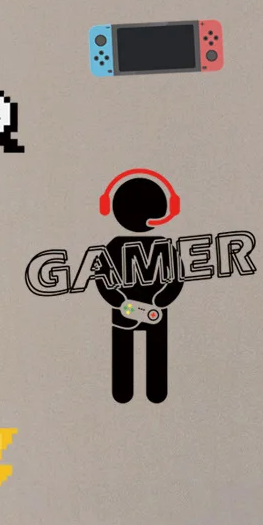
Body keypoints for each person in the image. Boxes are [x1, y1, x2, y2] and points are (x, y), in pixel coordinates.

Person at [94, 172, 184, 404]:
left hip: (146, 310)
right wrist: (121, 302)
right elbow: (102, 278)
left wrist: (157, 301)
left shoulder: (161, 246)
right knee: (125, 352)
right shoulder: (117, 247)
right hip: (131, 310)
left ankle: (151, 392)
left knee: (154, 352)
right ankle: (129, 392)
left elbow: (176, 279)